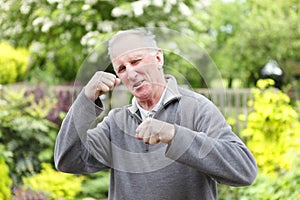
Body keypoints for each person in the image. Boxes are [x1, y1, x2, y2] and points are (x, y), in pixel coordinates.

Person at [54, 28, 257, 200]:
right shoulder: (116, 123)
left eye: (136, 61)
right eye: (122, 68)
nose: (131, 74)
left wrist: (174, 135)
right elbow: (67, 159)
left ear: (158, 57)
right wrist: (85, 100)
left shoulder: (197, 108)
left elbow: (244, 170)